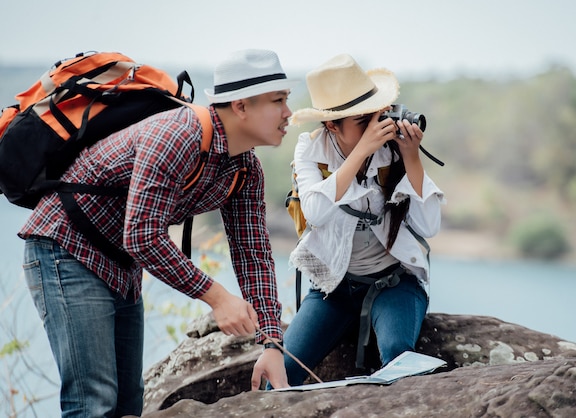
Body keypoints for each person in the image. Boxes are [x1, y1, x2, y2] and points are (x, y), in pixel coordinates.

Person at [19, 49, 297, 417]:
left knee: (129, 405)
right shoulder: (176, 136)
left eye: (287, 101)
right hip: (66, 248)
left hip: (121, 264)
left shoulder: (245, 169)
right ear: (241, 106)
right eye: (278, 101)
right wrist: (217, 297)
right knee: (94, 403)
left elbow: (254, 255)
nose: (288, 113)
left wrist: (271, 343)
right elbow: (142, 235)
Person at [282, 54, 445, 386]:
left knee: (401, 361)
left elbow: (429, 227)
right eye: (362, 122)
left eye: (376, 116)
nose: (375, 126)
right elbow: (315, 211)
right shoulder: (310, 150)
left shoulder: (393, 151)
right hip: (334, 286)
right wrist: (360, 152)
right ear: (331, 125)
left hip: (394, 282)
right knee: (284, 371)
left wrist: (411, 157)